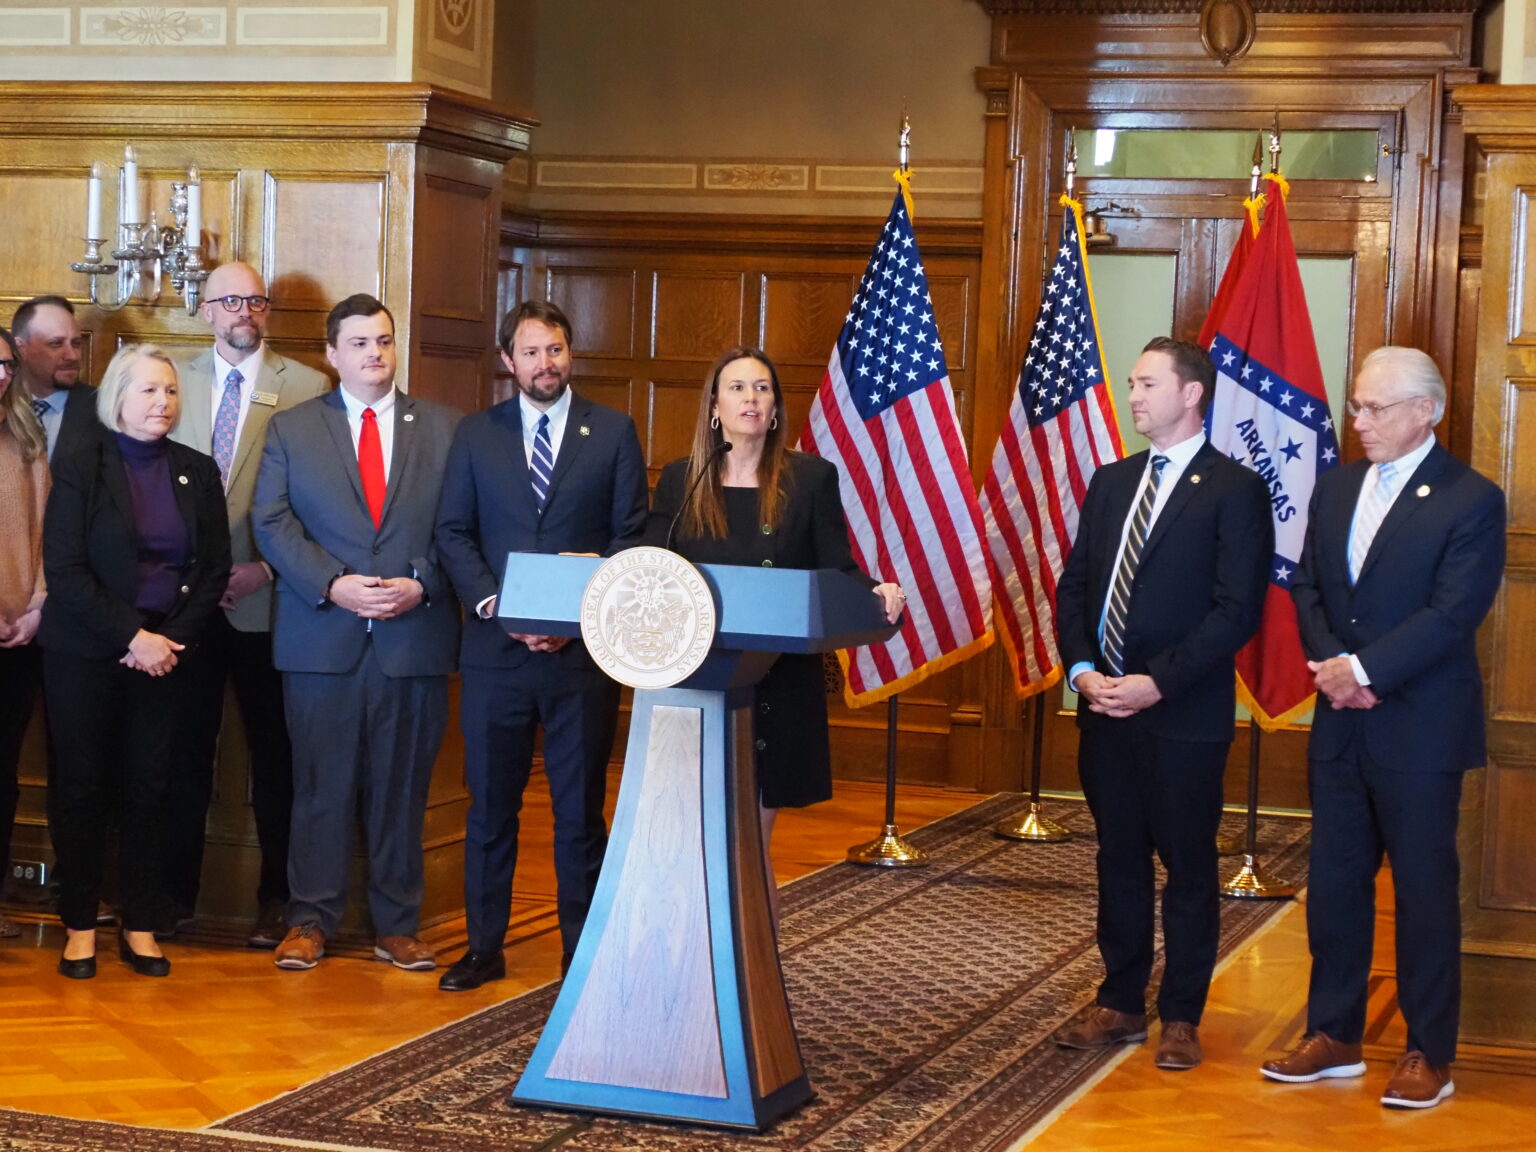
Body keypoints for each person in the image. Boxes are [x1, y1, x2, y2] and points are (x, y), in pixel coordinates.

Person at [1261, 347, 1504, 1109]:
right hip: (1340, 725)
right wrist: (1335, 667)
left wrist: (1363, 673)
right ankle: (1334, 1036)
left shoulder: (1471, 499)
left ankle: (1429, 1052)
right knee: (1334, 886)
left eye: (1374, 408)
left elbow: (1452, 612)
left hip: (1420, 729)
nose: (1357, 420)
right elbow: (1306, 587)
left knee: (1425, 893)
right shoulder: (1336, 490)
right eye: (1356, 405)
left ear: (1424, 411)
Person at [1053, 337, 1271, 1070]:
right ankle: (1119, 1001)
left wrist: (1158, 681)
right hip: (1104, 707)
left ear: (1191, 394)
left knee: (1186, 865)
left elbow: (1237, 610)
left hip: (1182, 715)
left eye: (1148, 384)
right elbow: (1076, 586)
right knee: (1118, 856)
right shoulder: (1112, 482)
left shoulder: (1234, 488)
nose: (1134, 395)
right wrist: (1083, 670)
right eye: (1132, 382)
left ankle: (1181, 1013)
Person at [643, 346, 903, 920]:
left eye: (762, 388)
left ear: (777, 407)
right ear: (715, 405)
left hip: (775, 682)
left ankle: (751, 961)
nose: (751, 399)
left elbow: (836, 563)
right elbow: (648, 554)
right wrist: (596, 564)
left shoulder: (810, 477)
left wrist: (876, 590)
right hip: (699, 678)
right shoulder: (685, 479)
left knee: (748, 837)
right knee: (694, 830)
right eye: (737, 388)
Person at [433, 301, 647, 992]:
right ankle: (483, 947)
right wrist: (500, 609)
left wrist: (579, 612)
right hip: (496, 655)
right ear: (508, 361)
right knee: (491, 807)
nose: (544, 364)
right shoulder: (475, 435)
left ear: (570, 353)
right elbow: (453, 534)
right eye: (530, 352)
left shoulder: (612, 432)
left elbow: (632, 536)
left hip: (582, 658)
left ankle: (581, 952)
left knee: (578, 810)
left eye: (554, 350)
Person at [253, 293, 460, 973]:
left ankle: (397, 926)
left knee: (401, 787)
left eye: (385, 341)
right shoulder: (292, 430)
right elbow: (272, 523)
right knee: (319, 785)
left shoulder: (445, 429)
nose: (376, 353)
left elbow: (463, 528)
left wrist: (423, 583)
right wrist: (332, 582)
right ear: (332, 354)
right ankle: (309, 919)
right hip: (323, 637)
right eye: (362, 343)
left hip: (413, 637)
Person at [37, 345, 231, 979]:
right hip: (86, 654)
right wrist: (131, 637)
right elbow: (63, 568)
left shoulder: (198, 471)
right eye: (149, 391)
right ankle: (79, 925)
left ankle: (141, 924)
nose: (162, 403)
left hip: (168, 658)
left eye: (171, 392)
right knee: (84, 788)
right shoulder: (79, 465)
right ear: (117, 398)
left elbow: (212, 570)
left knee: (153, 789)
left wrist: (167, 640)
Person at [165, 261, 331, 947]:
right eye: (230, 300)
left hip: (273, 604)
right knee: (179, 757)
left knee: (278, 760)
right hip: (185, 607)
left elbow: (324, 504)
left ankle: (280, 903)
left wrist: (265, 567)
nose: (245, 311)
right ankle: (169, 900)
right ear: (205, 310)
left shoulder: (310, 387)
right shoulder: (171, 380)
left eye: (256, 300)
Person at [0, 326, 49, 940]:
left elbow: (47, 536)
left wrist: (38, 606)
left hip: (18, 636)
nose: (1, 375)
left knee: (2, 773)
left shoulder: (27, 441)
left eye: (6, 364)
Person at [13, 296, 95, 463]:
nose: (72, 356)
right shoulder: (5, 405)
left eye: (76, 344)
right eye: (56, 344)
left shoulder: (104, 409)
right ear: (22, 349)